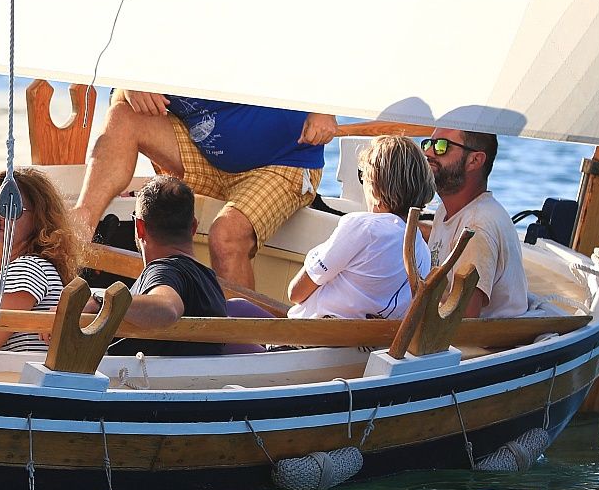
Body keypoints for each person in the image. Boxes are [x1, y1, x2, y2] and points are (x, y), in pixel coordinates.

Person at [71, 91, 334, 291]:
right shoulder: (154, 42)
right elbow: (120, 88)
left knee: (226, 236)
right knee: (122, 114)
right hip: (205, 153)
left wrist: (325, 107)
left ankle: (239, 342)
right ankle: (81, 225)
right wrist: (128, 87)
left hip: (283, 161)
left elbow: (320, 46)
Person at [286, 134, 435, 319]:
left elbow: (296, 293)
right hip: (371, 337)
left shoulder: (363, 228)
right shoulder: (422, 252)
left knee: (247, 307)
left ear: (375, 186)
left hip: (313, 334)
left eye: (363, 175)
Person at [111, 176, 231, 356]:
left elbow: (167, 307)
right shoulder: (210, 282)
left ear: (140, 227)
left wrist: (103, 301)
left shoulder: (163, 271)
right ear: (193, 226)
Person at [0, 168, 83, 353]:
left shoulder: (27, 269)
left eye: (10, 207)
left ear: (38, 218)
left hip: (24, 372)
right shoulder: (23, 269)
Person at [421, 129, 528, 318]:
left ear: (475, 160)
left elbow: (463, 320)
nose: (429, 152)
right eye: (428, 144)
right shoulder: (446, 210)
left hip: (483, 338)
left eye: (442, 146)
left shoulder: (477, 227)